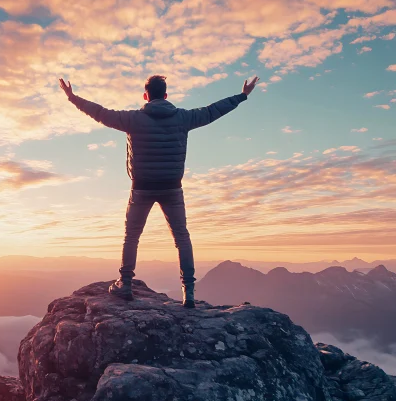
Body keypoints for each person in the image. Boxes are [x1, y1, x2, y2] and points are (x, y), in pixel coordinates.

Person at [59, 74, 260, 307]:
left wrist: (73, 98)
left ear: (146, 96)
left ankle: (125, 284)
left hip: (141, 187)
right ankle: (190, 293)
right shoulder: (183, 118)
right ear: (165, 95)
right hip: (172, 188)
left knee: (132, 236)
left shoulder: (132, 119)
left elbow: (100, 112)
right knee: (182, 238)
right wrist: (242, 96)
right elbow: (212, 110)